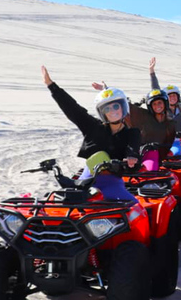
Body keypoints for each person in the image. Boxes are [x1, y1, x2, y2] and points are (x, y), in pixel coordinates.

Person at [42, 66, 139, 202]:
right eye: (107, 108)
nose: (112, 111)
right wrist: (51, 86)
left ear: (123, 107)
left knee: (135, 207)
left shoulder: (132, 133)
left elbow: (133, 147)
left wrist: (131, 157)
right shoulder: (94, 127)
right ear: (102, 112)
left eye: (116, 106)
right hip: (87, 183)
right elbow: (73, 109)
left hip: (112, 184)